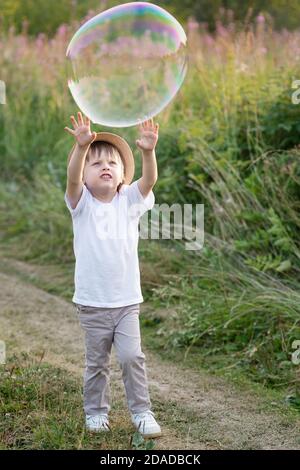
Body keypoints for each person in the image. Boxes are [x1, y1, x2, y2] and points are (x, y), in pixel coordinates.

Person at [63, 111, 161, 438]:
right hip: (92, 303)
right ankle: (95, 412)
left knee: (132, 356)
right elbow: (73, 180)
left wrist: (148, 152)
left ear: (121, 175)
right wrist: (80, 148)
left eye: (112, 163)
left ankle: (142, 412)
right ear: (86, 176)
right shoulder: (81, 203)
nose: (105, 166)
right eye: (96, 163)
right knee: (97, 364)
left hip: (126, 302)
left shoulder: (129, 200)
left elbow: (148, 182)